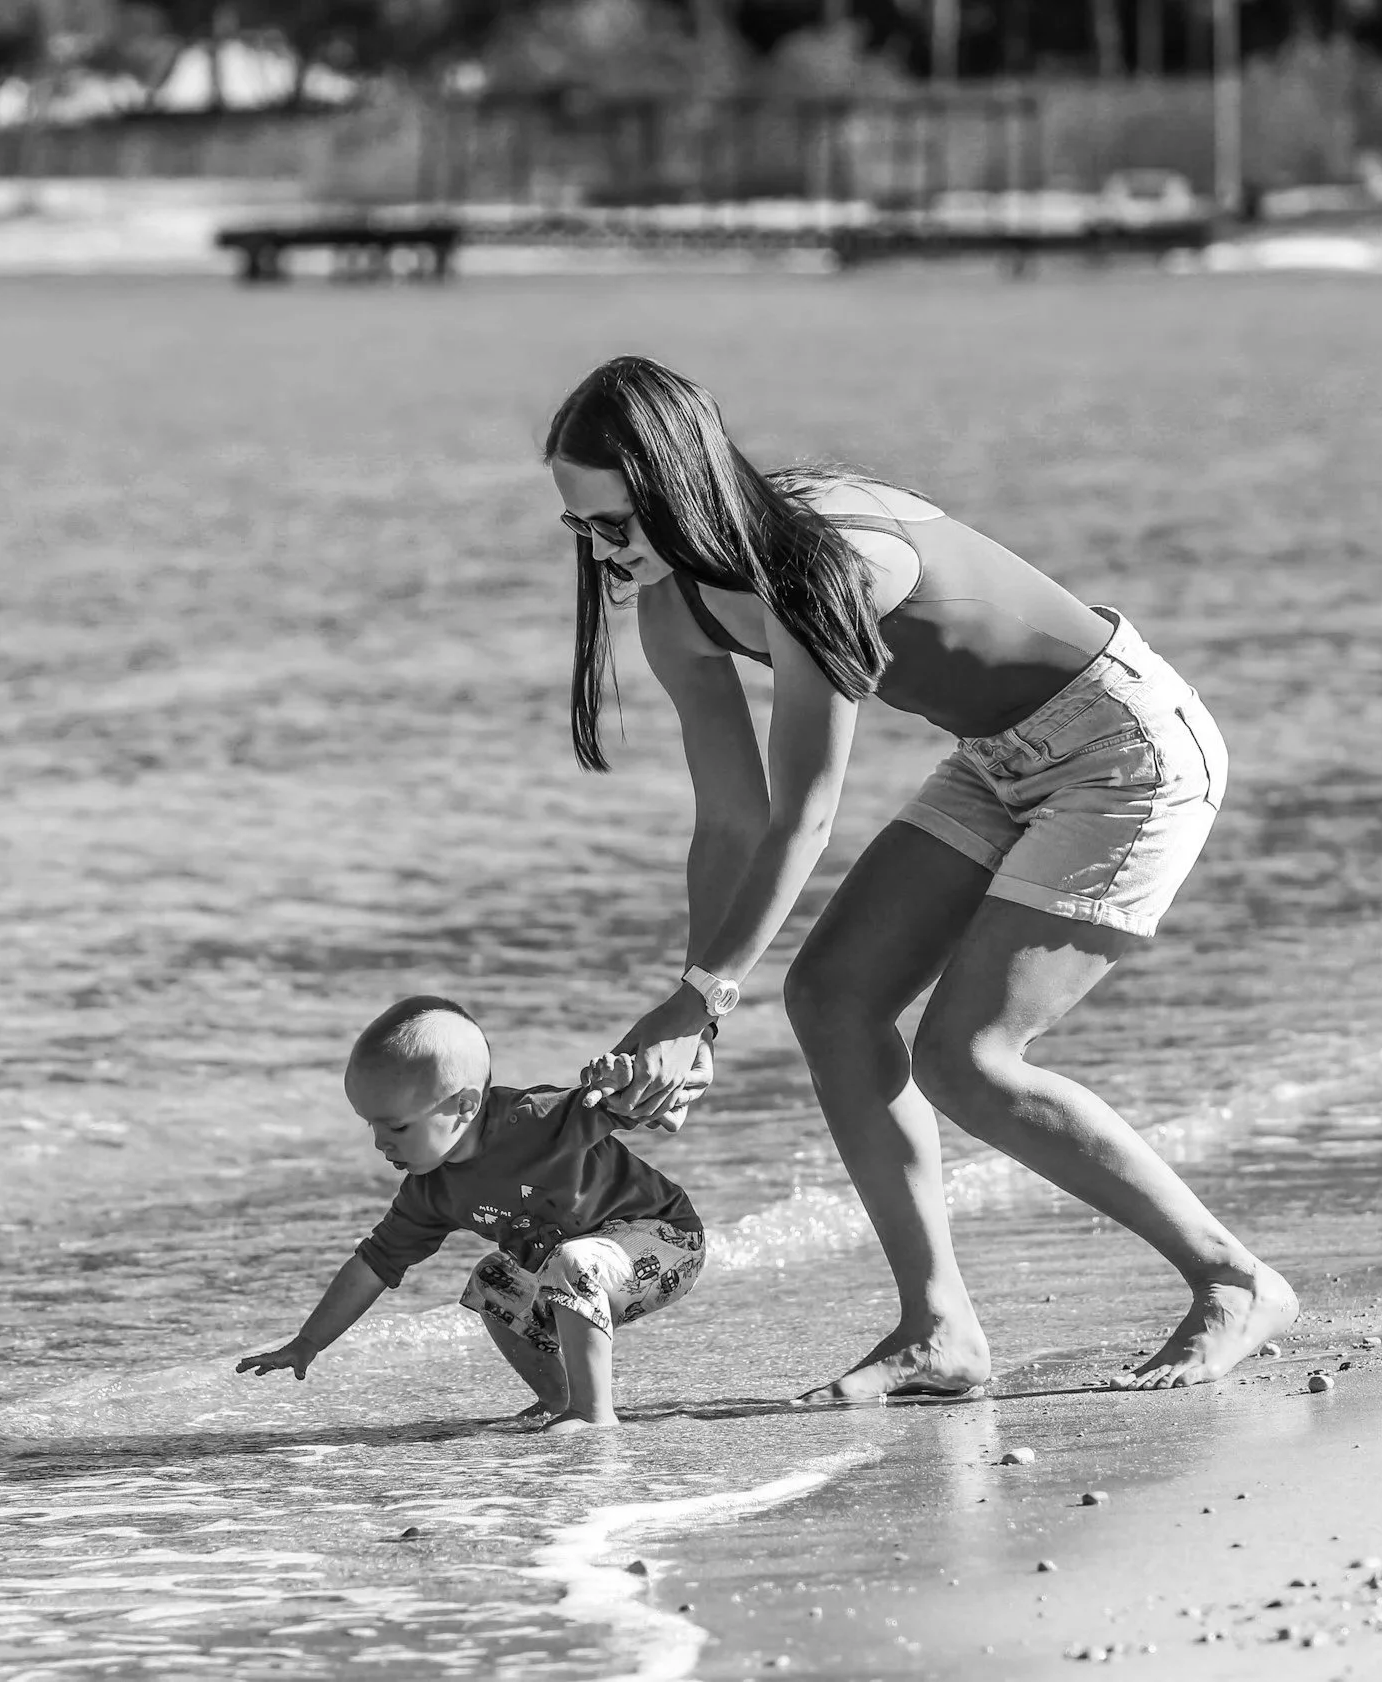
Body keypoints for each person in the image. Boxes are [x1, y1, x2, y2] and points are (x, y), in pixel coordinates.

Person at [547, 355, 1296, 1400]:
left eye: (616, 521)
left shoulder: (817, 563)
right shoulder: (677, 613)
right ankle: (939, 1329)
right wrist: (695, 1011)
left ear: (679, 488)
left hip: (1124, 747)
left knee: (968, 1058)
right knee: (830, 997)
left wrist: (700, 997)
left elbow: (804, 812)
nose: (601, 549)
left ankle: (1233, 1277)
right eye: (579, 526)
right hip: (997, 757)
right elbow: (731, 817)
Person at [237, 995, 710, 1432]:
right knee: (492, 1283)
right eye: (372, 1126)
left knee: (575, 1262)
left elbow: (640, 1107)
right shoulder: (431, 1190)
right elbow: (373, 1265)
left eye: (397, 1126)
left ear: (464, 1105)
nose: (381, 1142)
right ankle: (557, 1397)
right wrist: (307, 1343)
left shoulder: (541, 1120)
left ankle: (591, 1413)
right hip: (577, 1267)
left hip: (665, 1241)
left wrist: (619, 1082)